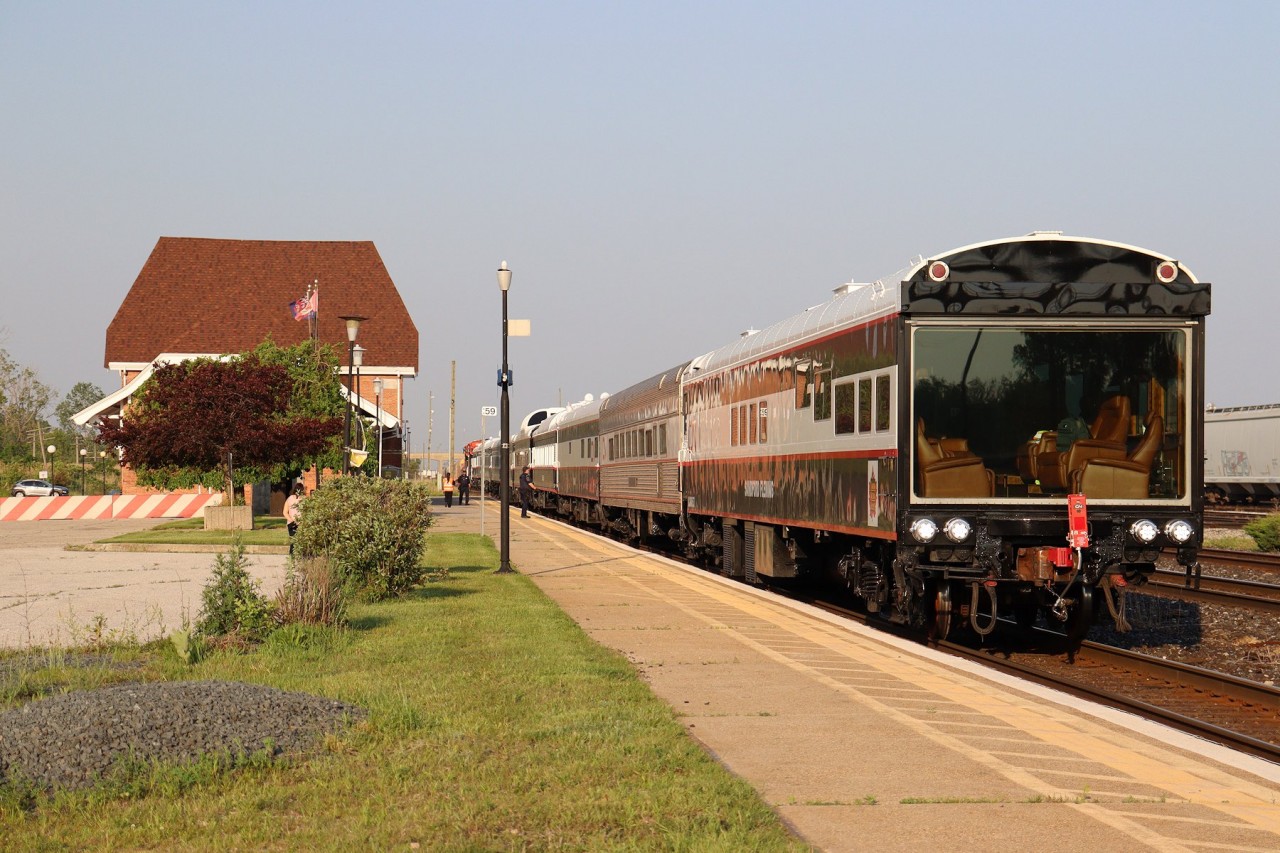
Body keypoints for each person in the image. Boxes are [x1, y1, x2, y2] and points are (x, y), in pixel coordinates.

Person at [283, 483, 303, 554]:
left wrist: (291, 520)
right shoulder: (302, 499)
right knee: (296, 541)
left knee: (294, 542)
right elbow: (285, 512)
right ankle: (295, 556)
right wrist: (293, 521)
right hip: (297, 523)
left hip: (296, 523)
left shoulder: (290, 498)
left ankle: (293, 556)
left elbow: (285, 512)